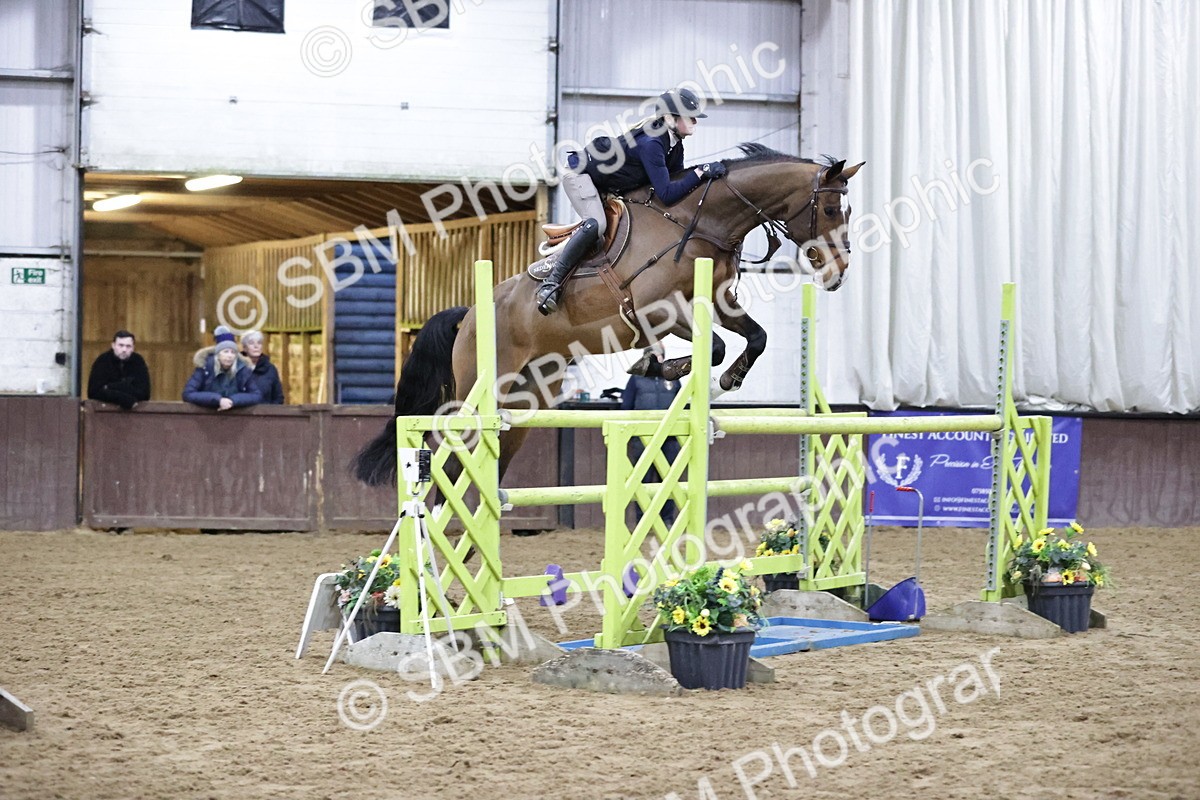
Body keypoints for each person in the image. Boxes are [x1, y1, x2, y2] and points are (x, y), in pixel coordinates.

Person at [536, 86, 728, 315]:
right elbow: (667, 194)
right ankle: (551, 285)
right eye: (691, 117)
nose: (695, 121)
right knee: (597, 225)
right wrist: (700, 173)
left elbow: (677, 182)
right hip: (581, 175)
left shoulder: (674, 146)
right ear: (670, 118)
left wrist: (704, 173)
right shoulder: (652, 144)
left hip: (610, 183)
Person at [621, 343, 682, 525]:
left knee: (669, 481)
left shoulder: (674, 380)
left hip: (670, 438)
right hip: (643, 438)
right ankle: (643, 521)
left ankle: (667, 521)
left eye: (660, 355)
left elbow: (683, 404)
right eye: (653, 356)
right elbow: (626, 406)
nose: (657, 359)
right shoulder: (635, 380)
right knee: (643, 482)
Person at [182, 326, 263, 410]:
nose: (229, 356)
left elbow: (256, 395)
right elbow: (188, 393)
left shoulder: (242, 369)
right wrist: (217, 400)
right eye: (226, 352)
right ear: (218, 354)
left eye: (233, 352)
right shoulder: (205, 367)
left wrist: (233, 401)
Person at [87, 330, 151, 410]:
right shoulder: (103, 361)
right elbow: (93, 392)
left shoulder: (138, 362)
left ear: (133, 348)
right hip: (105, 415)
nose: (124, 349)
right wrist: (123, 398)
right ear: (113, 345)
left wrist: (110, 387)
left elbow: (145, 394)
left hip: (134, 416)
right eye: (121, 345)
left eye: (128, 346)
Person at [240, 330, 285, 404]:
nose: (256, 346)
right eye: (251, 343)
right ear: (244, 348)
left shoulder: (270, 369)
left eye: (259, 343)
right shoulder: (236, 367)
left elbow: (278, 397)